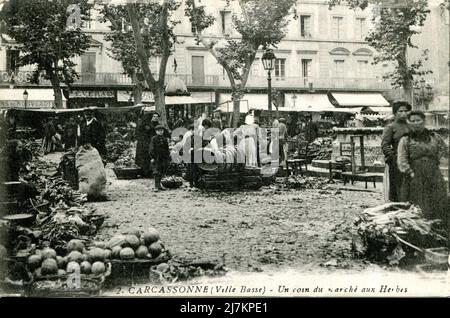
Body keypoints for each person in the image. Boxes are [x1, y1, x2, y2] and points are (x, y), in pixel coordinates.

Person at [397, 111, 448, 221]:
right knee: (418, 204)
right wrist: (411, 173)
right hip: (415, 176)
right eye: (413, 121)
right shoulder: (406, 139)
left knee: (437, 201)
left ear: (424, 121)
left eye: (418, 120)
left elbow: (445, 150)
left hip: (433, 174)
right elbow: (402, 160)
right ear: (409, 123)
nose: (416, 123)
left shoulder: (434, 137)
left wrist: (437, 160)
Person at [381, 100, 411, 202]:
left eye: (406, 111)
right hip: (397, 162)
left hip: (413, 161)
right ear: (395, 113)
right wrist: (393, 158)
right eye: (400, 111)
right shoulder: (390, 127)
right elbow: (385, 145)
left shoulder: (412, 126)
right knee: (398, 188)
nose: (404, 113)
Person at [149, 125, 170, 191]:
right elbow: (151, 148)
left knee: (161, 171)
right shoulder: (154, 139)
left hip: (163, 157)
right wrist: (152, 157)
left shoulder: (164, 139)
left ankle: (160, 185)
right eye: (159, 131)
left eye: (161, 130)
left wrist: (167, 156)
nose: (160, 132)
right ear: (156, 131)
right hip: (156, 157)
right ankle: (156, 186)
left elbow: (166, 149)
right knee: (156, 171)